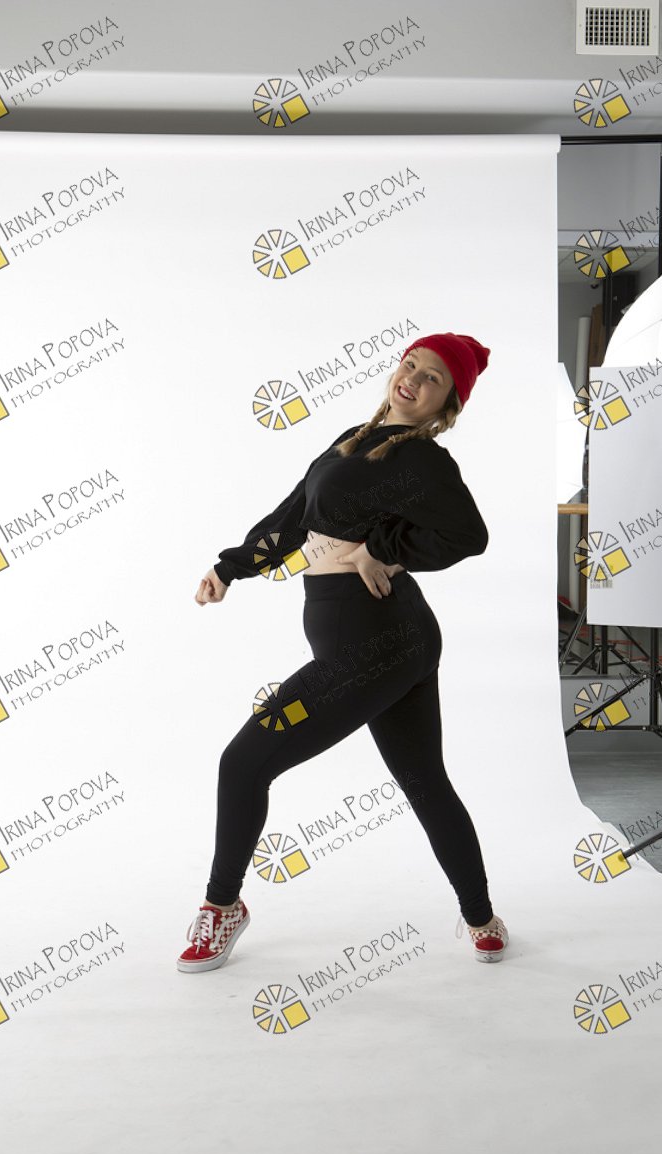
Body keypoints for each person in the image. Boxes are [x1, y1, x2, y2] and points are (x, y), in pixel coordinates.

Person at [177, 332, 509, 973]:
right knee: (425, 781)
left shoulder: (423, 459)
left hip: (374, 643)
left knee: (243, 763)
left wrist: (382, 548)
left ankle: (222, 906)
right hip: (392, 635)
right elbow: (294, 516)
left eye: (433, 378)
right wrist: (232, 567)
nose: (413, 379)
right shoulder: (356, 438)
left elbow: (469, 535)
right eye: (411, 364)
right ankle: (482, 919)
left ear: (447, 404)